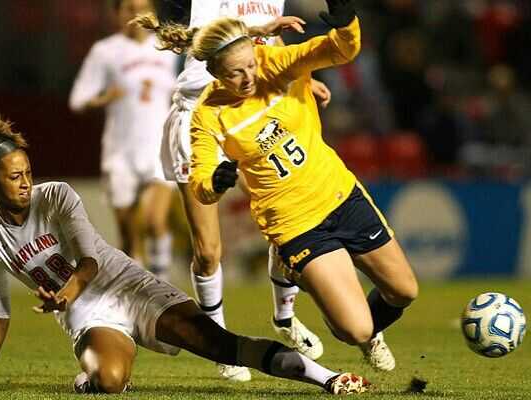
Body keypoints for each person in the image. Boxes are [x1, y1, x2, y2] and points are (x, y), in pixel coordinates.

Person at [0, 115, 369, 395]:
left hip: (128, 285)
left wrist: (65, 293)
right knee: (110, 382)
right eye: (14, 176)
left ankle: (328, 378)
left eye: (27, 172)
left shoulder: (56, 196)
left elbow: (89, 263)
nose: (25, 182)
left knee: (222, 346)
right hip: (88, 315)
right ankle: (94, 376)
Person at [140, 0, 419, 372]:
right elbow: (202, 181)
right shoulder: (208, 114)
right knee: (355, 329)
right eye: (236, 73)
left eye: (250, 66)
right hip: (296, 223)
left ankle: (337, 310)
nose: (249, 78)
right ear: (215, 72)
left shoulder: (274, 64)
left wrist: (346, 23)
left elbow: (338, 49)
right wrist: (215, 183)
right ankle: (299, 297)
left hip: (339, 194)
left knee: (404, 291)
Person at [149, 0, 329, 381]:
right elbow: (203, 41)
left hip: (253, 111)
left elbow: (270, 47)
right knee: (208, 251)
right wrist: (256, 31)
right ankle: (220, 345)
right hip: (198, 115)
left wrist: (299, 77)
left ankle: (284, 316)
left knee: (290, 216)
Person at [69, 0, 176, 280]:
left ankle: (162, 286)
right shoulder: (105, 51)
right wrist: (104, 98)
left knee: (154, 220)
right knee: (129, 237)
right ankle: (138, 290)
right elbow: (78, 99)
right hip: (120, 152)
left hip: (159, 149)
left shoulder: (169, 47)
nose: (137, 15)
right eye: (129, 8)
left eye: (143, 7)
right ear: (116, 14)